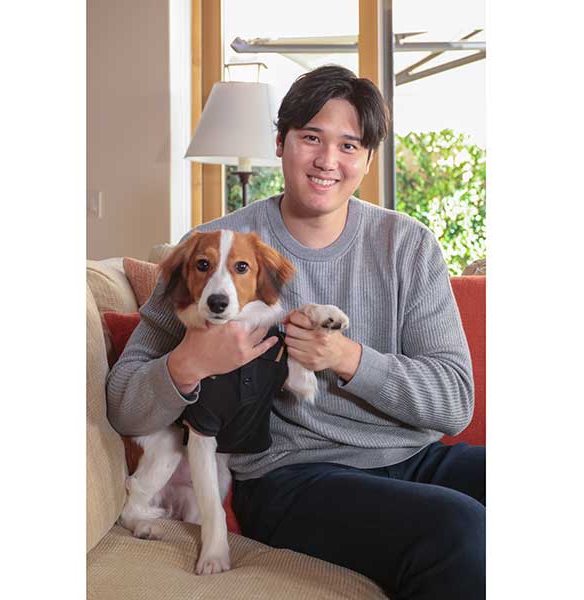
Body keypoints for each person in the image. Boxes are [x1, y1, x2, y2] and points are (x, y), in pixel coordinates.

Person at [107, 65, 485, 600]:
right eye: (311, 138)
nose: (328, 160)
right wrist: (191, 361)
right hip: (293, 477)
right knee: (459, 529)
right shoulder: (210, 252)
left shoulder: (409, 245)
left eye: (350, 145)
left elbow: (454, 403)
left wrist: (349, 358)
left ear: (368, 159)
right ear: (281, 143)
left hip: (413, 456)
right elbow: (122, 403)